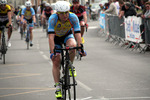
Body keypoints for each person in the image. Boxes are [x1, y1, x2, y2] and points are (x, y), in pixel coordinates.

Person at [48, 1, 86, 99]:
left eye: (66, 12)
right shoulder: (53, 19)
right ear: (57, 13)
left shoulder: (73, 17)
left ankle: (70, 65)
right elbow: (51, 37)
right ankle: (57, 88)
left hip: (67, 36)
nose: (65, 15)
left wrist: (80, 47)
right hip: (56, 38)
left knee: (73, 46)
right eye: (62, 13)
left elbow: (77, 33)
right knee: (56, 60)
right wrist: (52, 52)